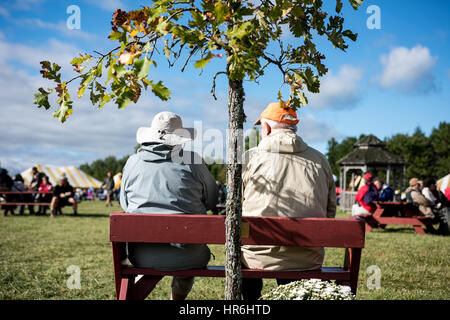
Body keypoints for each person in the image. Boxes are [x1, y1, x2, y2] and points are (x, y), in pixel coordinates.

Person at [240, 101, 336, 300]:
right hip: (307, 256)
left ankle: (251, 301)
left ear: (266, 128)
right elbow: (330, 209)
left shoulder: (250, 158)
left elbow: (237, 205)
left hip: (255, 256)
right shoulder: (320, 160)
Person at [120, 111, 218, 300]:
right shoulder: (193, 161)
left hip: (141, 254)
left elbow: (125, 203)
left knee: (154, 253)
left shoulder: (132, 162)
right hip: (189, 255)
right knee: (186, 258)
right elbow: (212, 200)